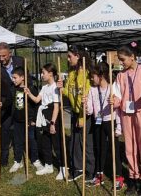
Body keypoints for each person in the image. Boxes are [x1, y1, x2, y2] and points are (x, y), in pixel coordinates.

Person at [111, 42, 141, 196]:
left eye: (122, 59)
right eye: (119, 59)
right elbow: (117, 95)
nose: (120, 62)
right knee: (130, 147)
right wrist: (114, 100)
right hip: (127, 114)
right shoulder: (120, 76)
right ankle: (133, 179)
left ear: (132, 57)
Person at [83, 62, 124, 191]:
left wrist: (118, 128)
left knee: (114, 150)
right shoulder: (92, 90)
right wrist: (85, 105)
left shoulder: (113, 87)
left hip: (110, 121)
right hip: (98, 121)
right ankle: (99, 174)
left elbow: (119, 108)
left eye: (93, 76)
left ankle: (118, 177)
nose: (91, 78)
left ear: (101, 76)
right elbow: (90, 110)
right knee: (99, 149)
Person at [57, 45, 95, 182]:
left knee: (86, 142)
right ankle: (77, 168)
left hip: (86, 113)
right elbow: (68, 92)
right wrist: (62, 89)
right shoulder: (72, 73)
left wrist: (82, 117)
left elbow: (88, 97)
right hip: (74, 112)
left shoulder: (87, 73)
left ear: (78, 56)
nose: (68, 59)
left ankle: (91, 170)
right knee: (74, 141)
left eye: (69, 56)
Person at [25, 63, 66, 180]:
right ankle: (48, 165)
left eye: (43, 73)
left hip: (53, 116)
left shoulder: (55, 88)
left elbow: (56, 107)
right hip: (44, 116)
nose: (42, 75)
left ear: (51, 74)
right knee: (45, 142)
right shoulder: (44, 87)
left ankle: (63, 168)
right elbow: (37, 99)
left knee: (57, 144)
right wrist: (29, 93)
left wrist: (53, 123)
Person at [8, 67, 43, 173]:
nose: (13, 80)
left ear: (22, 77)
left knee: (32, 141)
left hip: (29, 120)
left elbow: (37, 104)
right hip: (17, 120)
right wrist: (2, 104)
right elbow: (9, 102)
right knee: (17, 141)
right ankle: (18, 161)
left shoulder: (31, 88)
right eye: (12, 77)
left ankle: (35, 160)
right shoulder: (12, 89)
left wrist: (33, 119)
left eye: (15, 77)